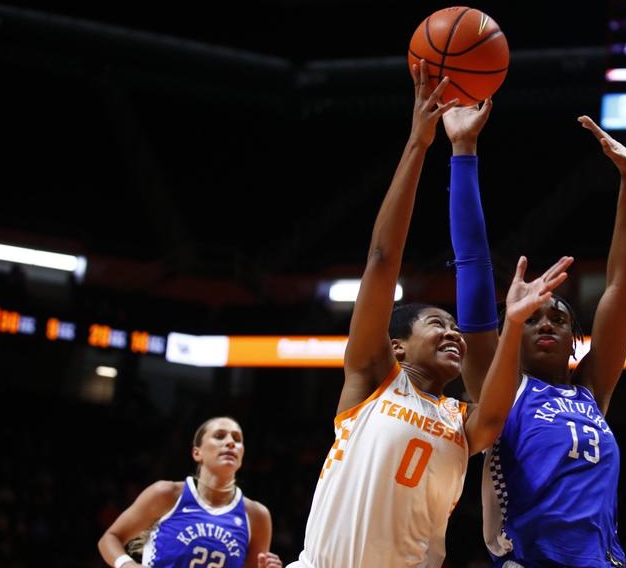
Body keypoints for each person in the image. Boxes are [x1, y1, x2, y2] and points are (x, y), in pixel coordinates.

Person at [288, 61, 574, 568]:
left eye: (456, 326)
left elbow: (496, 398)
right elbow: (381, 261)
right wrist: (419, 144)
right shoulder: (372, 380)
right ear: (397, 346)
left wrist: (512, 323)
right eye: (438, 323)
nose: (455, 333)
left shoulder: (463, 423)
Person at [445, 103, 626, 567]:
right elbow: (473, 266)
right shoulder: (502, 391)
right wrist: (463, 149)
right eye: (532, 318)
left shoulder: (592, 390)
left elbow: (621, 286)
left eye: (556, 317)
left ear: (576, 336)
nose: (545, 322)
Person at [97, 416, 282, 568]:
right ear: (197, 453)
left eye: (237, 439)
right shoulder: (167, 494)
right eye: (219, 436)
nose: (230, 443)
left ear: (242, 456)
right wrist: (127, 565)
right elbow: (110, 538)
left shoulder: (257, 515)